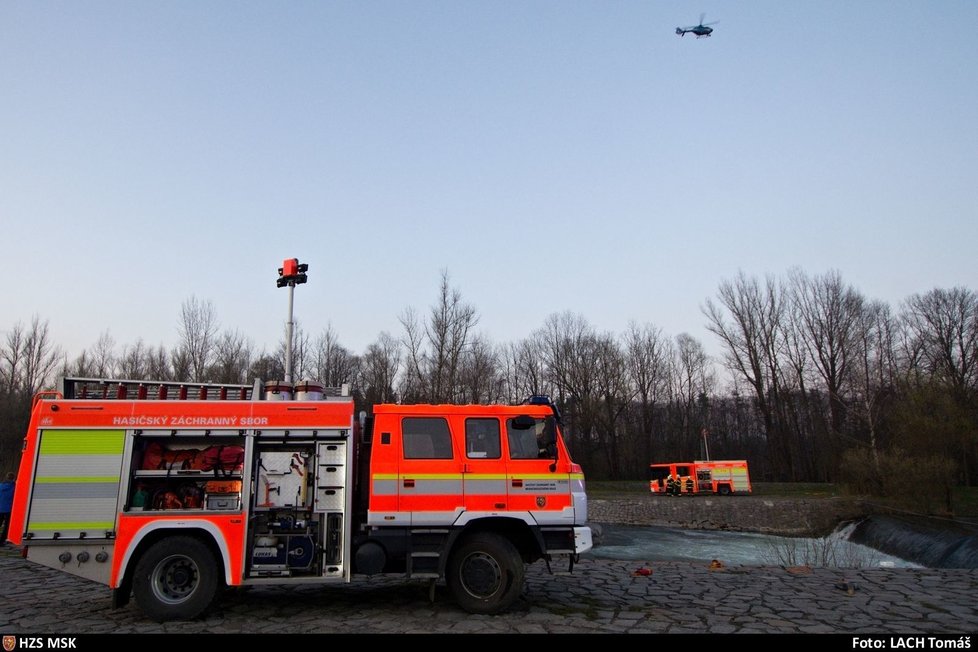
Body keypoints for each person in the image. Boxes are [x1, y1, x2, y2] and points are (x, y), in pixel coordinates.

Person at [0, 472, 15, 543]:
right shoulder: (14, 487)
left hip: (0, 508)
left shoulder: (1, 486)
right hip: (9, 509)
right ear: (13, 478)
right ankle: (2, 540)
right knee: (7, 526)